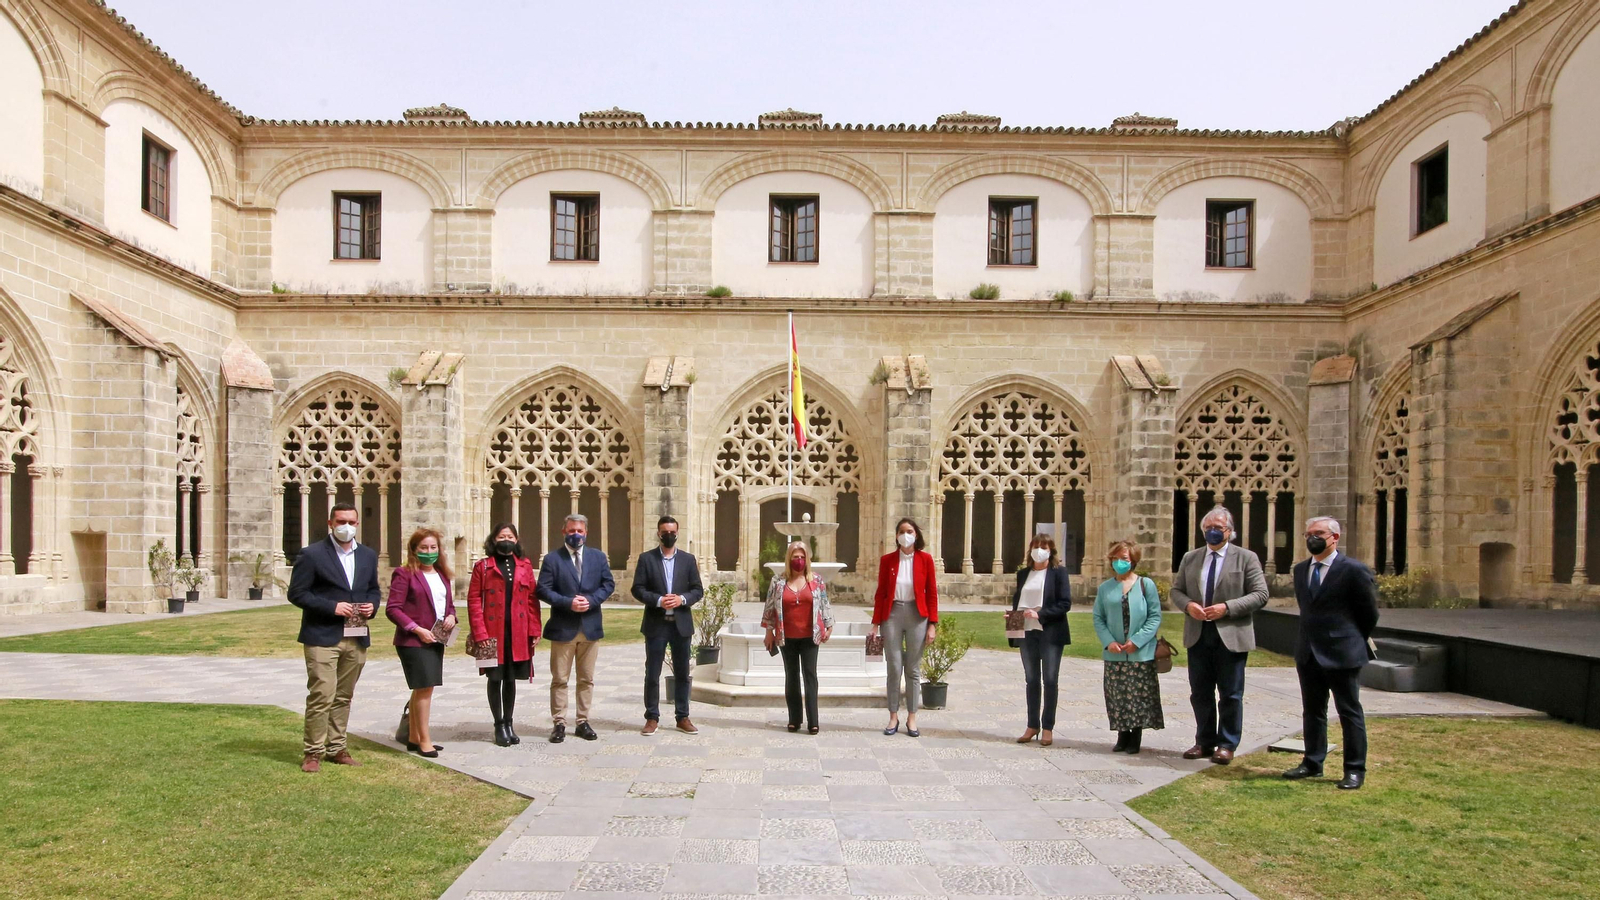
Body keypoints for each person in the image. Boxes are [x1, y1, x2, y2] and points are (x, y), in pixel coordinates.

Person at [1284, 516, 1379, 790]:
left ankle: (1354, 770)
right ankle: (1312, 762)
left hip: (1342, 651)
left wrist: (1348, 637)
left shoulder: (1353, 570)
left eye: (1319, 533)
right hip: (1309, 652)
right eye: (1308, 533)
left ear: (1334, 537)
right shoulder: (1301, 570)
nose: (1312, 538)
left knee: (1349, 712)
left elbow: (1368, 613)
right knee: (1313, 711)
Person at [1169, 505, 1269, 765]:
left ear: (1230, 531)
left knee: (1230, 694)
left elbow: (1260, 594)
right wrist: (1188, 605)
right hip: (1199, 633)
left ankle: (1226, 744)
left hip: (1231, 634)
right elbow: (1177, 591)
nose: (1213, 532)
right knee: (1199, 692)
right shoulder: (1191, 558)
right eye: (1208, 528)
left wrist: (1227, 607)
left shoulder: (1246, 558)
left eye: (1218, 528)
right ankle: (1203, 741)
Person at [287, 502, 382, 773]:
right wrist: (332, 607)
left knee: (344, 695)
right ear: (330, 523)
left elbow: (373, 590)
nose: (347, 527)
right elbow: (297, 593)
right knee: (322, 694)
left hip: (356, 635)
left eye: (352, 522)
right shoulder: (312, 554)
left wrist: (372, 606)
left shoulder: (367, 555)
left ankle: (337, 747)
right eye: (341, 521)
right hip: (322, 635)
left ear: (357, 525)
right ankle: (313, 751)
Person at [537, 513, 614, 743]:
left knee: (586, 678)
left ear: (586, 532)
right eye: (571, 531)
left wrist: (592, 600)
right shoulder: (552, 559)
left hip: (590, 626)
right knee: (560, 678)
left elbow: (608, 584)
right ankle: (559, 722)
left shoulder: (598, 557)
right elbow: (543, 589)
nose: (576, 535)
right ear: (564, 532)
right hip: (563, 627)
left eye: (580, 531)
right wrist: (567, 602)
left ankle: (582, 721)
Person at [467, 523, 541, 747]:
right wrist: (480, 633)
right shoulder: (483, 566)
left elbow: (531, 599)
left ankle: (509, 722)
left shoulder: (525, 565)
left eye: (510, 536)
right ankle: (498, 724)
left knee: (510, 679)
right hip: (492, 633)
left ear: (516, 540)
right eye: (501, 536)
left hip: (517, 631)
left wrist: (535, 629)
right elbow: (473, 601)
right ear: (493, 539)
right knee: (495, 678)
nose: (505, 539)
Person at [385, 528, 457, 757]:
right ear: (414, 550)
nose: (429, 552)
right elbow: (393, 609)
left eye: (433, 547)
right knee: (424, 688)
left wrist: (452, 616)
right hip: (414, 641)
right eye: (424, 548)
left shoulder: (442, 574)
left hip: (436, 639)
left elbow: (449, 605)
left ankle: (414, 736)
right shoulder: (404, 573)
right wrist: (416, 629)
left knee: (424, 688)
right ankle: (425, 740)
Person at [631, 515, 704, 735]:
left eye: (672, 532)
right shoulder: (647, 559)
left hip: (680, 623)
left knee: (682, 673)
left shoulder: (688, 560)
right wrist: (658, 600)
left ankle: (683, 717)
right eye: (665, 532)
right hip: (656, 623)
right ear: (658, 533)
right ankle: (652, 717)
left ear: (678, 533)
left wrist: (681, 599)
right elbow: (638, 588)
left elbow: (697, 590)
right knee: (652, 672)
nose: (669, 535)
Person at [1092, 540, 1164, 754]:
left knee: (1139, 696)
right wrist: (1109, 642)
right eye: (1115, 558)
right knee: (1118, 695)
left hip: (1139, 653)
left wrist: (1138, 641)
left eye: (1123, 558)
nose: (1119, 562)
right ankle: (1122, 735)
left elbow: (1154, 616)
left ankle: (1135, 737)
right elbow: (1098, 618)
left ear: (1133, 560)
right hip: (1115, 653)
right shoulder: (1105, 588)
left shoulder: (1145, 585)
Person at [869, 518, 939, 737]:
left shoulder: (925, 559)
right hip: (893, 614)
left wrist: (932, 625)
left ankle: (912, 717)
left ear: (916, 535)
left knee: (913, 669)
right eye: (901, 531)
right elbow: (881, 593)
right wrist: (875, 623)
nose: (905, 535)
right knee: (894, 667)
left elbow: (932, 592)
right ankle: (892, 716)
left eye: (909, 531)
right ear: (896, 535)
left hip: (917, 615)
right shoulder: (888, 560)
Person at [762, 540, 834, 734]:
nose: (799, 561)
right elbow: (770, 607)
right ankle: (794, 719)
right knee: (791, 676)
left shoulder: (816, 580)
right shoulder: (778, 582)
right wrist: (769, 631)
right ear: (789, 559)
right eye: (796, 557)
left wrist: (829, 625)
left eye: (802, 557)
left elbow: (825, 603)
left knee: (810, 676)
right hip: (787, 636)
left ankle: (813, 721)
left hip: (810, 636)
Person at [1010, 533, 1072, 746]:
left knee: (1051, 679)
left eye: (1043, 546)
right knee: (1031, 680)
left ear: (1051, 550)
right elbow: (1018, 601)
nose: (1039, 550)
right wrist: (1012, 621)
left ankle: (1047, 727)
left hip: (1050, 632)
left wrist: (1041, 614)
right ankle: (1031, 725)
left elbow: (1065, 603)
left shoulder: (1058, 573)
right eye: (1036, 546)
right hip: (1027, 632)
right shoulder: (1023, 574)